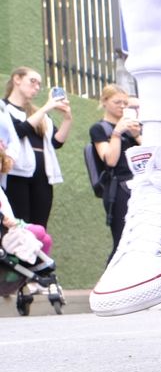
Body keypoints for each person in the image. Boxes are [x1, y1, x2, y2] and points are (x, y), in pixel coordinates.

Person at [3, 67, 73, 229]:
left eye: (39, 85)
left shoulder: (39, 113)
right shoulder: (3, 108)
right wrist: (47, 107)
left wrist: (67, 118)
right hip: (16, 175)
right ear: (17, 79)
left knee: (40, 227)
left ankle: (37, 255)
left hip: (43, 176)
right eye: (32, 82)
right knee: (19, 225)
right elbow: (16, 133)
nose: (36, 88)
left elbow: (57, 142)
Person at [89, 85, 142, 255]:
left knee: (140, 239)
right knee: (122, 241)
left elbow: (151, 155)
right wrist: (117, 133)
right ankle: (110, 281)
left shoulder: (133, 128)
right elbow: (110, 160)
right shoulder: (100, 129)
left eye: (125, 103)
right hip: (118, 188)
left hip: (139, 185)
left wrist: (137, 135)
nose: (122, 106)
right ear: (104, 102)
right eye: (117, 102)